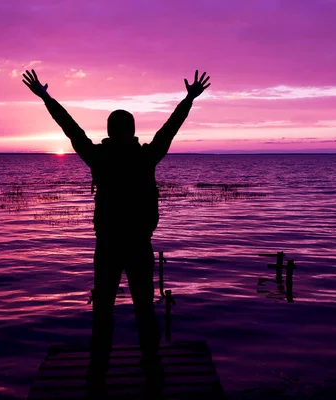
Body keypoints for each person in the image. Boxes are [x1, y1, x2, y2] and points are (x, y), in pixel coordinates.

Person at [22, 69, 210, 395]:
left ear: (110, 131)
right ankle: (149, 365)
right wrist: (188, 99)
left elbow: (70, 127)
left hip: (110, 246)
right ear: (132, 130)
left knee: (104, 311)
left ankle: (100, 372)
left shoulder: (99, 157)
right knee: (143, 309)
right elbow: (170, 129)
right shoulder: (146, 156)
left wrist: (46, 98)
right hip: (136, 245)